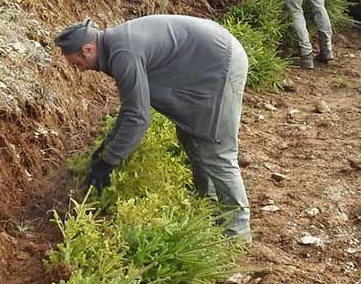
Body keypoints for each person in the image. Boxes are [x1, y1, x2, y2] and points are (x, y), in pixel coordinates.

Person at [55, 15, 251, 241]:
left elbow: (138, 117)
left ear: (87, 49)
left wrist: (109, 161)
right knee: (190, 137)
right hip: (202, 62)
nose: (78, 70)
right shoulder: (117, 46)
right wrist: (106, 148)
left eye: (76, 64)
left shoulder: (123, 54)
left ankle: (237, 234)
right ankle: (208, 206)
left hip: (220, 63)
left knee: (215, 149)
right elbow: (131, 108)